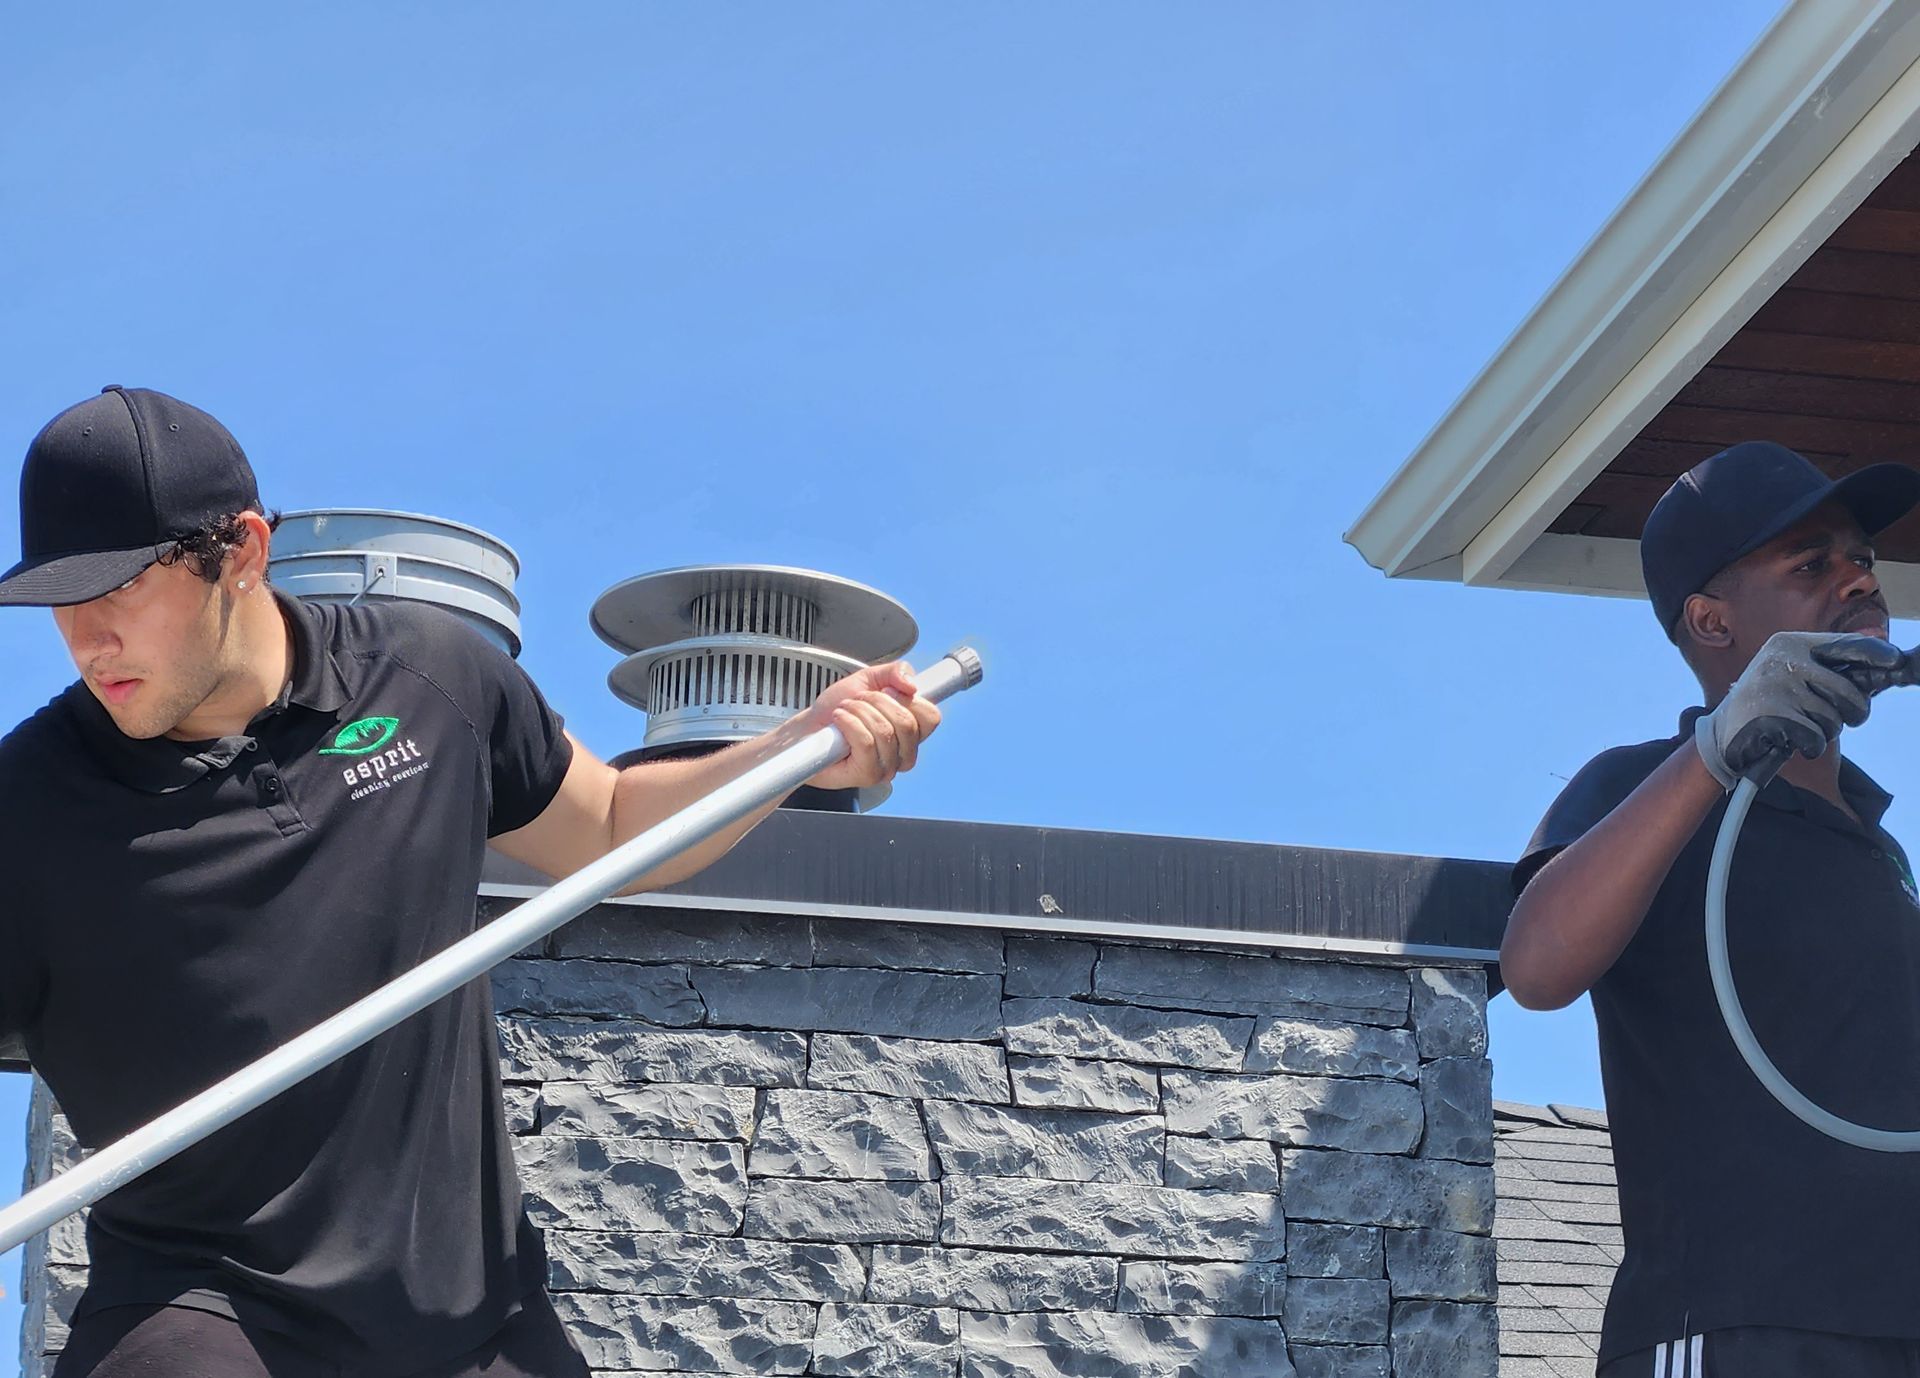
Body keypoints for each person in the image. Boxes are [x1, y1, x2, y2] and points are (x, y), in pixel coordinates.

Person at [0, 385, 943, 1378]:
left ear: (240, 549)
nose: (85, 636)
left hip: (466, 1320)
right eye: (62, 601)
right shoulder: (27, 813)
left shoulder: (429, 678)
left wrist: (795, 748)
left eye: (119, 590)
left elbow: (616, 830)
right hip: (205, 1314)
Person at [1502, 440, 1920, 1377]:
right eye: (1812, 563)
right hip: (1738, 1325)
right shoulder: (1636, 790)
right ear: (1711, 620)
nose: (1856, 577)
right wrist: (1717, 750)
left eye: (1862, 557)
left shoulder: (1876, 839)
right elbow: (1536, 967)